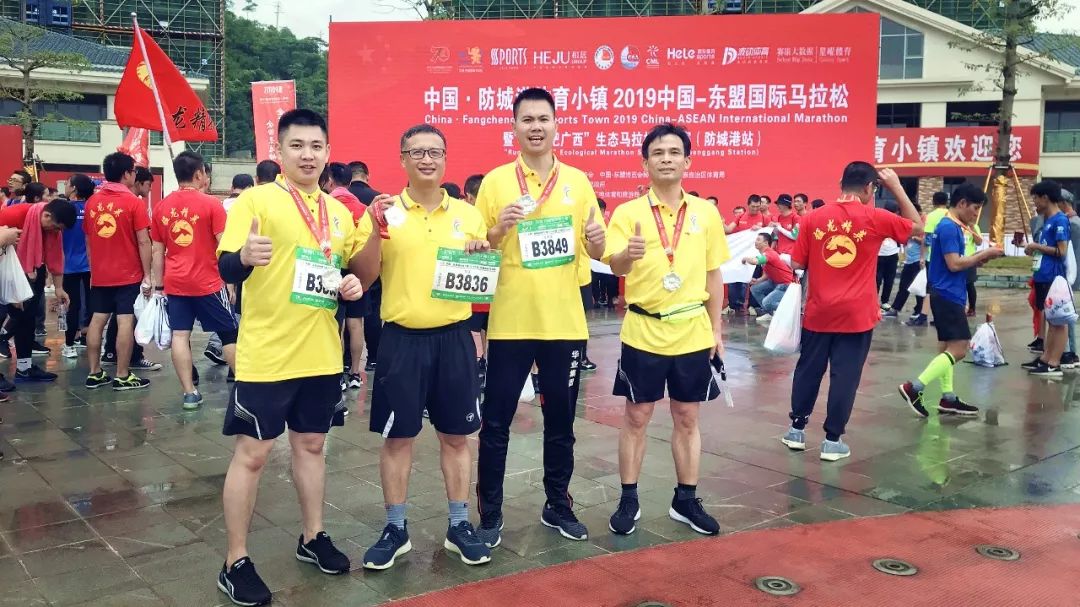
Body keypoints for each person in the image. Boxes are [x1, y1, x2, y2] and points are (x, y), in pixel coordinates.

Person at [214, 109, 367, 606]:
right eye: (297, 145)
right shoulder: (255, 201)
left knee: (313, 447)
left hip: (321, 354)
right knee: (253, 454)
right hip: (267, 353)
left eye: (316, 146)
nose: (307, 155)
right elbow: (226, 265)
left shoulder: (338, 213)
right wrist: (243, 259)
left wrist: (350, 284)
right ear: (279, 151)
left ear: (327, 152)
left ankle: (312, 536)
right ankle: (235, 561)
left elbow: (341, 269)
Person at [352, 124, 492, 570]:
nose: (427, 159)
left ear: (446, 158)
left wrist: (481, 254)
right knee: (397, 438)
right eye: (417, 152)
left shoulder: (468, 214)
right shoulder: (384, 211)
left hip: (454, 338)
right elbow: (363, 276)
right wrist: (374, 232)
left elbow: (483, 279)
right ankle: (395, 528)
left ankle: (459, 525)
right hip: (401, 340)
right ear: (402, 159)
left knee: (456, 436)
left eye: (435, 152)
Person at [475, 87, 606, 547]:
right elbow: (477, 248)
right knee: (496, 422)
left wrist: (597, 241)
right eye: (527, 119)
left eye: (543, 119)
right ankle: (490, 513)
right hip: (511, 321)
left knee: (561, 423)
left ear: (555, 124)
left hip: (563, 322)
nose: (535, 127)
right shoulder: (495, 182)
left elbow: (597, 247)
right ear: (514, 127)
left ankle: (558, 504)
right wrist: (497, 228)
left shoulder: (578, 181)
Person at [603, 124, 726, 537]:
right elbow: (616, 266)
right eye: (658, 153)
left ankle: (685, 499)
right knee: (636, 415)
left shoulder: (705, 213)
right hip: (643, 329)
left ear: (687, 161)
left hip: (692, 330)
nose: (667, 159)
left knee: (687, 416)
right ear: (645, 163)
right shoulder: (628, 213)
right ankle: (628, 497)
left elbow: (713, 275)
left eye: (674, 152)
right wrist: (627, 254)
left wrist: (716, 330)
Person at [779, 164, 920, 461]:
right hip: (857, 316)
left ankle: (796, 430)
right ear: (870, 188)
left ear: (840, 183)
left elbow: (796, 264)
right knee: (845, 376)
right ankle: (832, 441)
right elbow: (918, 228)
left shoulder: (813, 218)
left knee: (808, 370)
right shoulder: (876, 217)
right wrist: (896, 186)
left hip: (819, 312)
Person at [899, 184, 1001, 417]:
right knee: (960, 348)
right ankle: (914, 387)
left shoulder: (952, 226)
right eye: (975, 208)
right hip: (948, 294)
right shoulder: (949, 227)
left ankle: (948, 398)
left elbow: (954, 261)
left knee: (947, 347)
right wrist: (984, 253)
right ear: (962, 203)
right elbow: (954, 264)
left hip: (946, 292)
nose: (977, 214)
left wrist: (977, 258)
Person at [150, 151, 236, 410]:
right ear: (199, 174)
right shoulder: (211, 205)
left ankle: (190, 393)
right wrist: (230, 282)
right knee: (229, 334)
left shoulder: (161, 207)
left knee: (180, 335)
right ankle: (246, 387)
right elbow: (224, 247)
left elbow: (157, 251)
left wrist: (159, 286)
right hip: (208, 282)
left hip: (175, 283)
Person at [83, 152, 153, 391]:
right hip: (128, 274)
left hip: (101, 274)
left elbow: (89, 240)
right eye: (133, 171)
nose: (134, 174)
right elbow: (143, 241)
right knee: (125, 321)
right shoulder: (133, 202)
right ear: (126, 174)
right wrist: (147, 275)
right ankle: (122, 375)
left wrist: (94, 269)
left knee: (97, 320)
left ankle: (94, 373)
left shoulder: (92, 202)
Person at [0, 198, 74, 382]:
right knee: (7, 315)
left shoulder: (53, 229)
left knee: (27, 319)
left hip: (33, 270)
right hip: (6, 270)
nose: (55, 232)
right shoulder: (14, 214)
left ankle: (24, 368)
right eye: (55, 227)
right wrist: (15, 289)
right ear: (47, 215)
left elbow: (55, 257)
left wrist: (59, 288)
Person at [322, 162, 368, 390]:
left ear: (330, 181)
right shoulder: (362, 208)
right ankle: (356, 373)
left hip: (333, 269)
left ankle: (338, 373)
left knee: (336, 325)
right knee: (356, 323)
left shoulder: (324, 206)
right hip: (358, 273)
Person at [1021, 180, 1072, 377]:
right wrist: (1033, 249)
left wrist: (1037, 246)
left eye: (1035, 198)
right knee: (1051, 319)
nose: (1034, 202)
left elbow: (1061, 251)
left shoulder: (1060, 220)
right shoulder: (1047, 220)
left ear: (1045, 198)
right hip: (1042, 275)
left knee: (1058, 321)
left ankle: (1054, 362)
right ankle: (1045, 358)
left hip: (1054, 277)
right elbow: (1046, 249)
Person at [61, 174, 94, 359]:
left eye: (67, 184)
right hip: (90, 266)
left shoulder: (65, 209)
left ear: (73, 188)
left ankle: (69, 345)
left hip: (69, 266)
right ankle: (86, 339)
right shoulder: (92, 208)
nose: (65, 186)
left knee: (72, 306)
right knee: (91, 304)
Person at [906, 191, 949, 327]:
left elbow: (927, 238)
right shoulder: (951, 215)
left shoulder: (931, 216)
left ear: (933, 202)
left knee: (931, 289)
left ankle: (923, 316)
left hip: (934, 258)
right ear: (947, 202)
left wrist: (922, 257)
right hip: (950, 257)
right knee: (944, 288)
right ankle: (940, 317)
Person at [743, 232, 798, 323]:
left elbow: (755, 261)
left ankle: (791, 312)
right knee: (755, 289)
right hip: (774, 282)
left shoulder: (769, 254)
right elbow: (767, 274)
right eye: (756, 239)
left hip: (785, 284)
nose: (756, 242)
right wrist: (758, 280)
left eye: (758, 240)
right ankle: (770, 313)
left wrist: (745, 259)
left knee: (766, 302)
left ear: (766, 243)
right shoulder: (765, 254)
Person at [463, 173, 489, 366]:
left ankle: (476, 362)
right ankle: (485, 360)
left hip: (471, 290)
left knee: (469, 330)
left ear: (469, 196)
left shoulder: (464, 217)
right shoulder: (499, 216)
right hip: (489, 288)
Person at [884, 202, 925, 320]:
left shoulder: (922, 223)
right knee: (904, 286)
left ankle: (919, 311)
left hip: (917, 260)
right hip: (909, 260)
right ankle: (896, 309)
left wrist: (912, 237)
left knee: (918, 287)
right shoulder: (911, 223)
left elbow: (924, 241)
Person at [876, 200, 901, 312]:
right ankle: (874, 301)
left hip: (892, 253)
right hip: (879, 254)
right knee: (877, 279)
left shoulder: (897, 221)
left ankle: (885, 301)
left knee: (889, 279)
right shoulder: (878, 220)